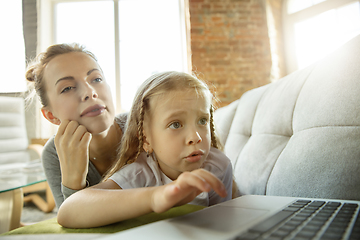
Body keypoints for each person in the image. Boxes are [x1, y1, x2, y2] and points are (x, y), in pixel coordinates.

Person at [57, 71, 234, 228]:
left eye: (202, 121)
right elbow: (68, 210)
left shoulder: (219, 165)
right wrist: (156, 197)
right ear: (147, 139)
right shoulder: (140, 174)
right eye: (176, 124)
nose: (196, 137)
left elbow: (223, 224)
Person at [25, 43, 127, 209]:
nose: (89, 92)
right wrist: (73, 182)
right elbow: (75, 226)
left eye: (96, 79)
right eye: (67, 88)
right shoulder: (53, 154)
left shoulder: (143, 123)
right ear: (51, 116)